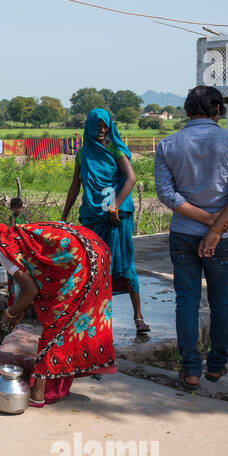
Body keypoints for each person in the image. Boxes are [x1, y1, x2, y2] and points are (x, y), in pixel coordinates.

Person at [154, 85, 228, 389]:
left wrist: (209, 223)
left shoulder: (167, 145)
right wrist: (216, 227)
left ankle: (192, 370)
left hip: (183, 234)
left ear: (186, 111)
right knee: (222, 303)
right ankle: (216, 367)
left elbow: (167, 194)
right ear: (218, 110)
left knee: (187, 302)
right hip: (223, 237)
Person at [0, 220, 116, 405]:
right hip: (97, 249)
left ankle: (39, 392)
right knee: (73, 321)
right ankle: (58, 383)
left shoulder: (6, 249)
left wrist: (11, 312)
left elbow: (30, 290)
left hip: (81, 260)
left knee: (58, 324)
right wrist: (19, 308)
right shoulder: (17, 235)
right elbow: (33, 274)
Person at [62, 108, 148, 333]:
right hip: (92, 215)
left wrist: (115, 205)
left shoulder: (116, 147)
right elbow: (75, 185)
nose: (101, 131)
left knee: (125, 262)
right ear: (88, 126)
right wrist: (64, 215)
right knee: (94, 267)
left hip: (116, 216)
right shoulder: (83, 153)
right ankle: (96, 319)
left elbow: (131, 178)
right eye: (97, 126)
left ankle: (138, 316)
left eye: (105, 126)